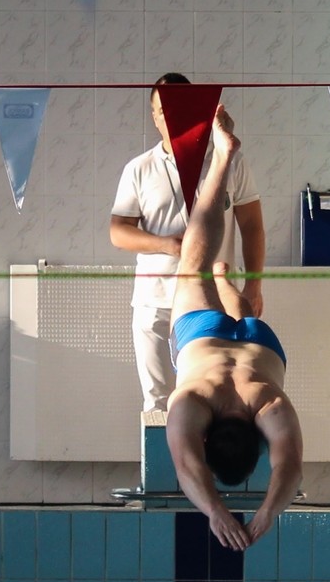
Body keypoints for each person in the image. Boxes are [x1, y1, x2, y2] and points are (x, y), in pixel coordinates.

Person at [166, 106, 301, 552]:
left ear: (257, 442)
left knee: (240, 315)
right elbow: (186, 465)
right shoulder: (191, 402)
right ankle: (222, 158)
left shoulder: (269, 403)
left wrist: (268, 512)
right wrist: (216, 512)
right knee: (194, 266)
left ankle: (225, 283)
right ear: (207, 439)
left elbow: (290, 467)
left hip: (260, 344)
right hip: (202, 341)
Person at [112, 72, 266, 413]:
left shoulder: (229, 160)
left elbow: (252, 225)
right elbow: (118, 231)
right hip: (156, 302)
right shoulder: (140, 169)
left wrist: (253, 285)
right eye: (162, 111)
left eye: (179, 109)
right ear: (154, 117)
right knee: (159, 404)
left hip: (212, 300)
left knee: (217, 399)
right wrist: (164, 244)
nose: (170, 118)